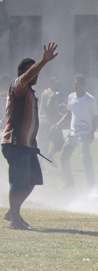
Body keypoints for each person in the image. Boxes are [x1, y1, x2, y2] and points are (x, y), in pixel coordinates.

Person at [2, 42, 59, 229]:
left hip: (27, 144)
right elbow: (28, 76)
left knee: (33, 179)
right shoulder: (17, 86)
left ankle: (13, 212)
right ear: (22, 73)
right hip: (15, 143)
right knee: (17, 183)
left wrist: (34, 143)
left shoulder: (31, 93)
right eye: (32, 71)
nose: (36, 75)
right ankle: (15, 220)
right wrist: (43, 61)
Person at [54, 74, 98, 188]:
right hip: (72, 133)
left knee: (85, 157)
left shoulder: (90, 99)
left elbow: (96, 117)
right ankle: (69, 183)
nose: (79, 86)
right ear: (73, 84)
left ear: (85, 85)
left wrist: (92, 133)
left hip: (84, 133)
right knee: (64, 157)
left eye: (81, 83)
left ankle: (91, 184)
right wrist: (58, 124)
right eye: (77, 83)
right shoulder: (71, 97)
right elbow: (69, 113)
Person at [38, 76, 64, 162]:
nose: (59, 86)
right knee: (60, 141)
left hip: (42, 121)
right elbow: (49, 106)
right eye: (57, 84)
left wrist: (58, 106)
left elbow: (48, 105)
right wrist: (57, 115)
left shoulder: (45, 92)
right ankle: (50, 156)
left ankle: (40, 164)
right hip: (49, 123)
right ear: (51, 84)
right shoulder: (52, 94)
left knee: (43, 144)